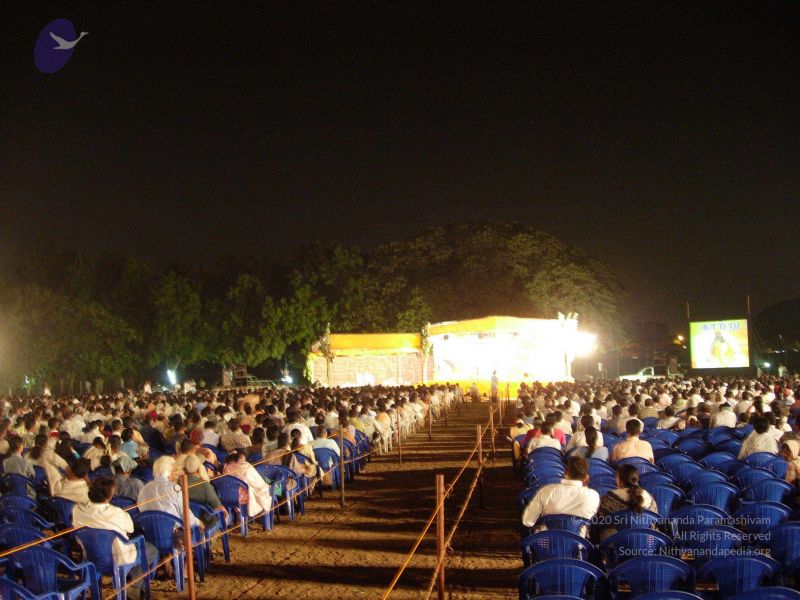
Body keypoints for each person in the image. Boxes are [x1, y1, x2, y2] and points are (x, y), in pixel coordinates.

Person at [73, 478, 159, 600]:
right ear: (109, 496)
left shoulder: (77, 510)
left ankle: (126, 580)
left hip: (91, 556)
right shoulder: (117, 513)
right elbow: (130, 529)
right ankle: (133, 586)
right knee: (151, 550)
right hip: (118, 558)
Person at [521, 456, 599, 536]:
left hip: (545, 542)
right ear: (586, 477)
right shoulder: (594, 496)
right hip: (578, 543)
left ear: (565, 472)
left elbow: (527, 521)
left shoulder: (546, 491)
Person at [595, 464, 658, 540]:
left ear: (620, 481)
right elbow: (655, 521)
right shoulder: (649, 498)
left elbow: (599, 520)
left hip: (616, 544)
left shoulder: (610, 498)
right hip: (646, 542)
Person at [137, 457, 203, 530]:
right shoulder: (174, 488)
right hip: (174, 532)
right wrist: (198, 523)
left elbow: (140, 509)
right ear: (167, 473)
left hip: (149, 533)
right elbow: (186, 516)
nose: (177, 473)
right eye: (175, 470)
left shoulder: (144, 489)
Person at [221, 452, 273, 517]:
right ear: (237, 460)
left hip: (227, 498)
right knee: (266, 489)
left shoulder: (225, 469)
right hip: (244, 498)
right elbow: (256, 482)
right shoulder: (245, 466)